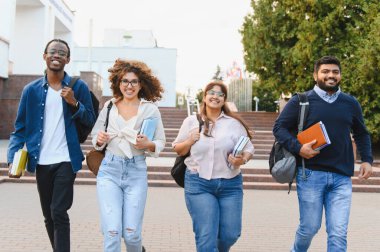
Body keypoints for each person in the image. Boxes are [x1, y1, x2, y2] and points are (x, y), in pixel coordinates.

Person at [273, 56, 373, 252]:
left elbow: (361, 133)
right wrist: (299, 147)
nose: (331, 75)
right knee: (309, 228)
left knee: (338, 232)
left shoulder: (350, 103)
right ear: (315, 75)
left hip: (342, 177)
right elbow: (279, 128)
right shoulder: (301, 101)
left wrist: (367, 160)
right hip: (310, 174)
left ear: (340, 75)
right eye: (325, 71)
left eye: (335, 72)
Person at [7, 38, 96, 251]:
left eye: (61, 53)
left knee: (58, 211)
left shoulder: (79, 87)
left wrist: (74, 103)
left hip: (66, 159)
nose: (57, 55)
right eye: (53, 52)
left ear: (68, 59)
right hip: (41, 160)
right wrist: (12, 159)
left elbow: (90, 120)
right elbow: (19, 129)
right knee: (48, 215)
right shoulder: (31, 90)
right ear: (45, 56)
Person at [91, 59, 165, 252]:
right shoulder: (109, 106)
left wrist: (147, 144)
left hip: (136, 171)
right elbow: (95, 136)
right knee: (113, 232)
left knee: (132, 234)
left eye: (134, 81)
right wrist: (99, 139)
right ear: (118, 83)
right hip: (109, 170)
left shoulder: (150, 109)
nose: (129, 86)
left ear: (141, 84)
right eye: (125, 81)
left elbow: (160, 142)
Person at [172, 81, 254, 252]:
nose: (215, 96)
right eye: (211, 92)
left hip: (230, 185)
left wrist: (241, 160)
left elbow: (248, 149)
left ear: (224, 100)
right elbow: (178, 149)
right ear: (204, 97)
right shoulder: (191, 121)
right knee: (206, 237)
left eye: (220, 94)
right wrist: (189, 140)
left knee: (230, 234)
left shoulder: (234, 123)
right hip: (199, 183)